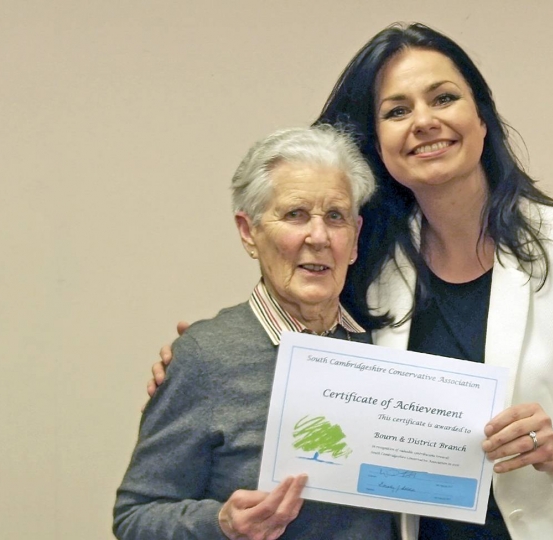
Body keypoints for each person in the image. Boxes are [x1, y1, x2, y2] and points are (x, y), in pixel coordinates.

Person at [149, 23, 553, 539]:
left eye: (443, 98)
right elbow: (305, 341)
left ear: (481, 118)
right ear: (379, 144)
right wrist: (194, 364)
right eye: (396, 110)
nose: (424, 121)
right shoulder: (370, 265)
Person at [114, 125, 400, 540]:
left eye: (335, 217)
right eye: (295, 214)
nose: (318, 237)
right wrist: (220, 524)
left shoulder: (384, 349)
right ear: (249, 232)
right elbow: (135, 516)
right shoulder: (205, 355)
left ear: (354, 239)